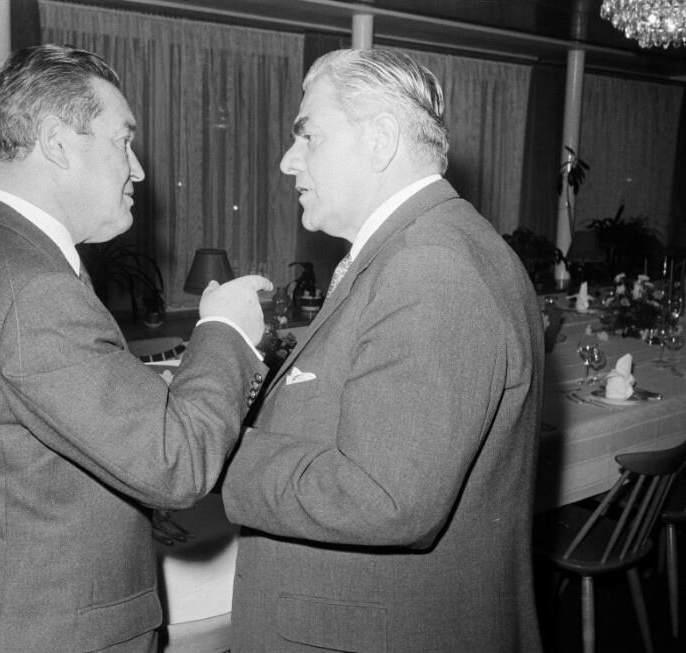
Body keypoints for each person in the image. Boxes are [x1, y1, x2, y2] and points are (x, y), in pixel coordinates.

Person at [0, 44, 271, 653]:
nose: (137, 170)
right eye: (124, 141)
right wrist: (225, 330)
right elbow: (176, 464)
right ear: (58, 142)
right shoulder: (35, 287)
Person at [221, 48, 545, 652]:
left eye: (308, 135)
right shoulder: (421, 249)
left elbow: (384, 498)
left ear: (381, 139)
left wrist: (212, 450)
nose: (289, 160)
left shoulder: (431, 268)